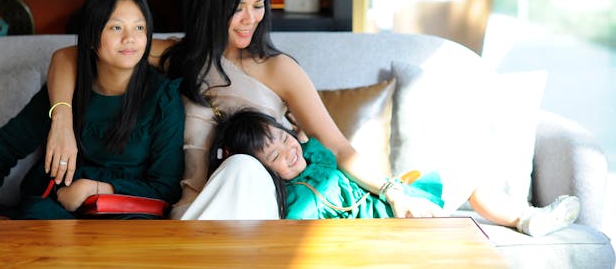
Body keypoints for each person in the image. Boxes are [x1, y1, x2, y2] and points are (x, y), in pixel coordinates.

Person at [43, 0, 545, 220]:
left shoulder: (280, 69)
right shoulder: (176, 55)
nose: (248, 18)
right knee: (226, 180)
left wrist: (393, 189)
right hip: (193, 210)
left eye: (258, 5)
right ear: (209, 5)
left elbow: (338, 146)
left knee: (242, 168)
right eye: (235, 6)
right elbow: (69, 54)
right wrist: (61, 118)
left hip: (262, 210)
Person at [0, 0, 184, 220]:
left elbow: (166, 188)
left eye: (139, 28)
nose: (130, 38)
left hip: (127, 214)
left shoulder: (163, 98)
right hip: (58, 210)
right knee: (38, 216)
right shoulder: (67, 90)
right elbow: (7, 145)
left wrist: (97, 189)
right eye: (116, 28)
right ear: (91, 37)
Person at [209, 109, 580, 237]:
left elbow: (306, 143)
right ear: (266, 173)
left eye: (281, 139)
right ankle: (522, 217)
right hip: (384, 222)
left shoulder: (313, 156)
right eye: (274, 157)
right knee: (466, 187)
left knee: (466, 174)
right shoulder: (296, 199)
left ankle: (526, 217)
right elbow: (300, 232)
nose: (287, 153)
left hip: (394, 197)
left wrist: (295, 131)